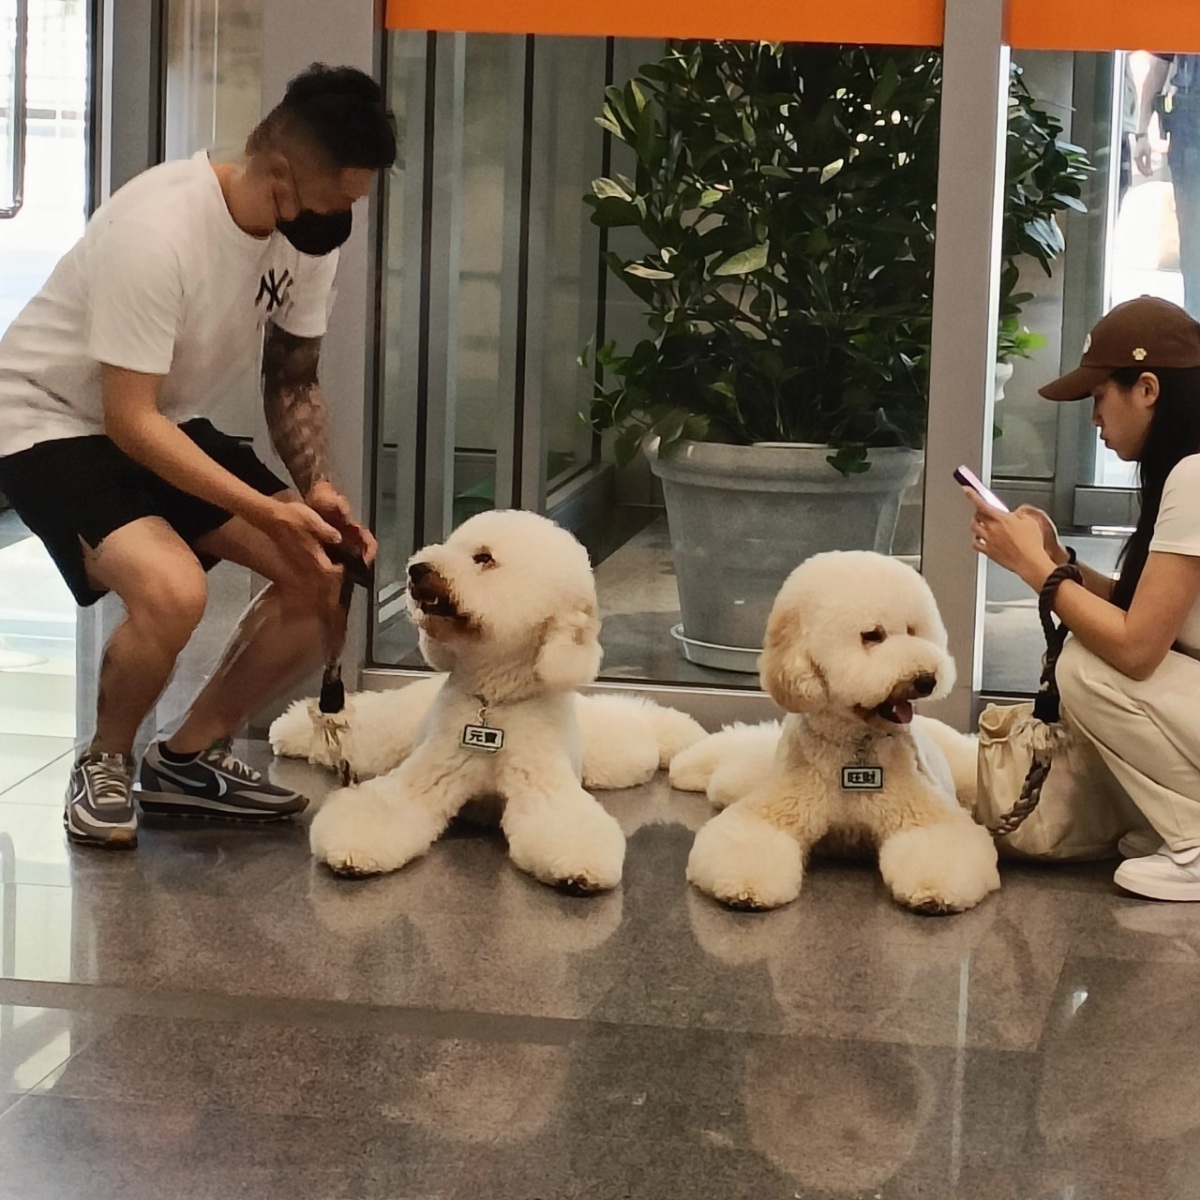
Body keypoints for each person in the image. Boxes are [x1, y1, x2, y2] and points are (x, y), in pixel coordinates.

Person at [0, 63, 396, 849]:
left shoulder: (308, 235)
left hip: (163, 417)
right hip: (45, 417)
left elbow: (292, 379)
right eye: (339, 199)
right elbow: (128, 423)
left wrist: (316, 490)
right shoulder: (157, 230)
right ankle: (105, 759)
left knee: (325, 571)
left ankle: (186, 758)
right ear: (279, 172)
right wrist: (266, 510)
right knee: (173, 590)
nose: (346, 217)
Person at [964, 296, 1200, 901]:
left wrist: (1034, 567)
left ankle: (1196, 842)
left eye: (1099, 397)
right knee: (1092, 655)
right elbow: (1151, 609)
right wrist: (1059, 560)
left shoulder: (1195, 475)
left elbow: (1137, 648)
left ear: (1147, 388)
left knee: (1088, 667)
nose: (1094, 418)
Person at [1134, 53, 1200, 315]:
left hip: (1190, 126)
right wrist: (1142, 133)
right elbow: (1159, 63)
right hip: (1191, 126)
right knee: (1193, 235)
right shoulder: (1181, 23)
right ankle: (1195, 319)